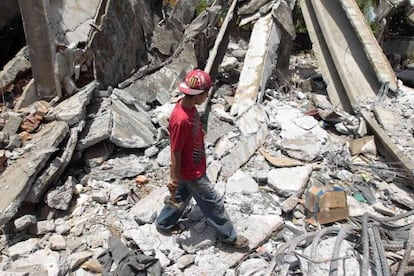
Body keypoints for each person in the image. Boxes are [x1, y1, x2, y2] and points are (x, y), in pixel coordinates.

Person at [155, 69, 249, 248]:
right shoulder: (180, 119)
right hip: (192, 172)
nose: (207, 96)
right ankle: (229, 236)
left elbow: (191, 127)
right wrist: (174, 179)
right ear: (198, 94)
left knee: (182, 196)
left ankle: (163, 223)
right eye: (206, 93)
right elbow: (175, 152)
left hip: (192, 166)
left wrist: (199, 132)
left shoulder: (189, 106)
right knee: (213, 203)